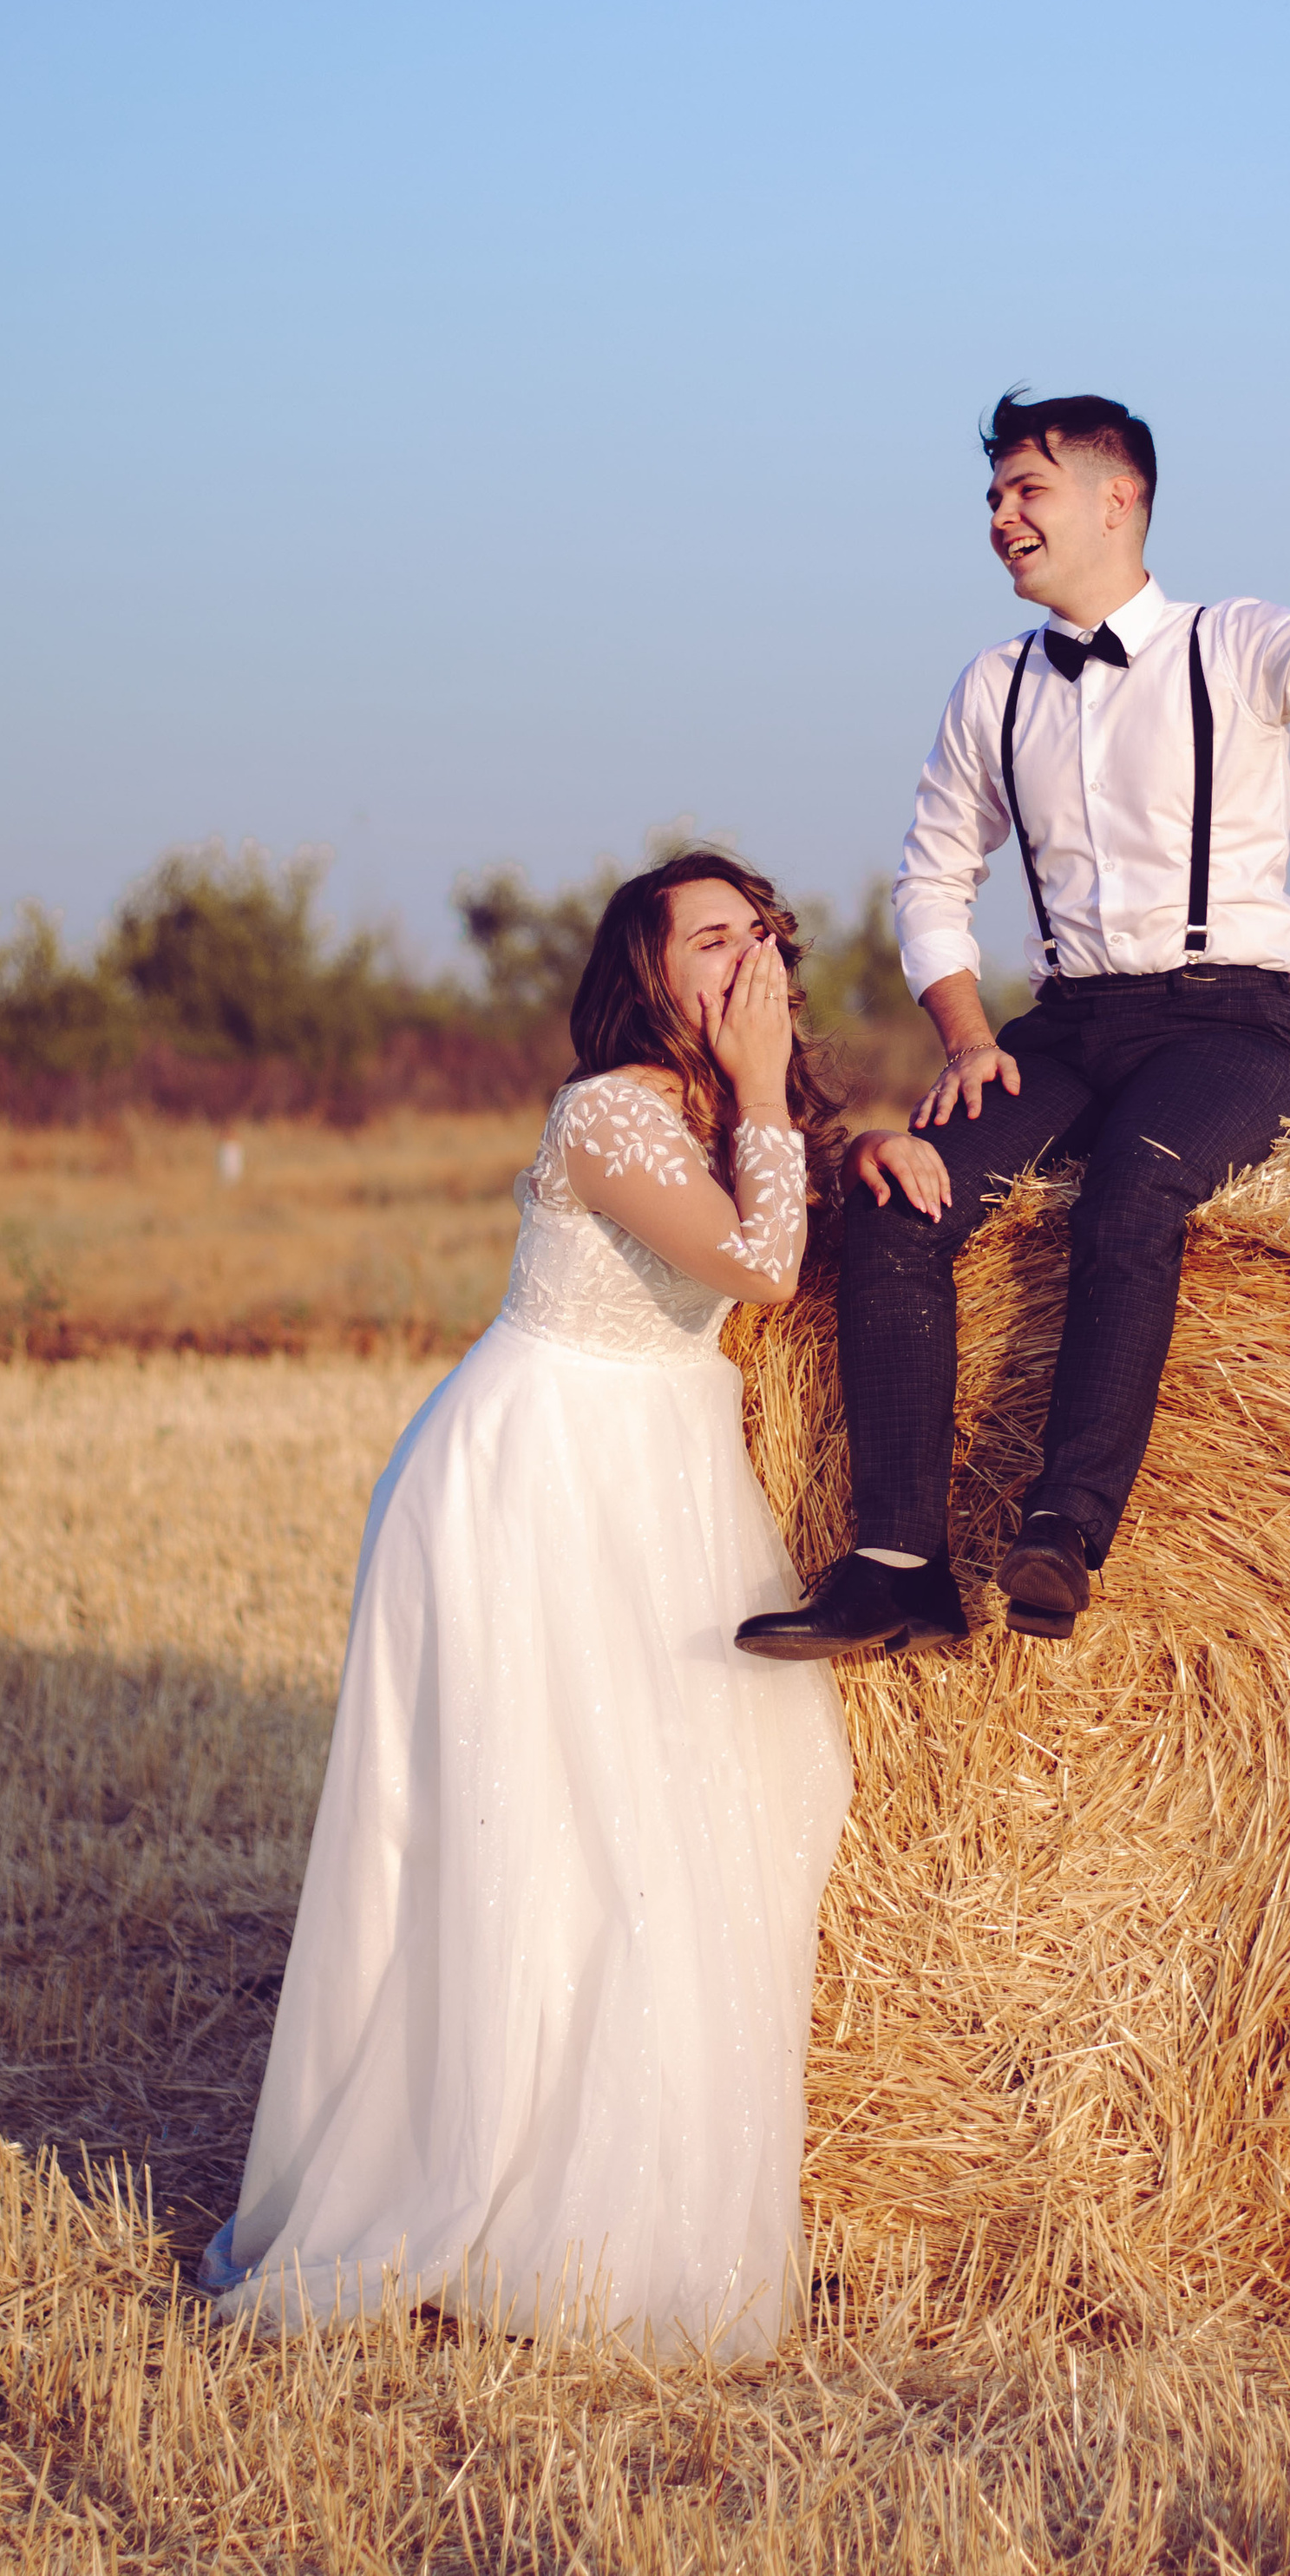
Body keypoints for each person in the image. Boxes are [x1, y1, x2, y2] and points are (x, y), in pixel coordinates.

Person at [737, 389, 1290, 1662]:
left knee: (1132, 1192)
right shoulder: (990, 689)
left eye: (1024, 491)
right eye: (991, 496)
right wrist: (966, 1033)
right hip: (1062, 1028)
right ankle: (898, 1563)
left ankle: (1065, 1525)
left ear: (1118, 499)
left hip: (1230, 1027)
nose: (999, 517)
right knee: (898, 1208)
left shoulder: (1234, 645)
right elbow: (930, 879)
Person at [199, 855, 852, 2351]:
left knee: (732, 1804)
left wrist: (845, 1135)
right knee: (549, 1825)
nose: (745, 956)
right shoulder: (612, 1106)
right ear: (648, 970)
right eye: (709, 937)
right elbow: (761, 1264)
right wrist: (766, 1085)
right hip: (540, 1473)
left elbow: (791, 1196)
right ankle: (483, 2187)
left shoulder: (716, 1109)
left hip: (661, 1470)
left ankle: (624, 2206)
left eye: (758, 931)